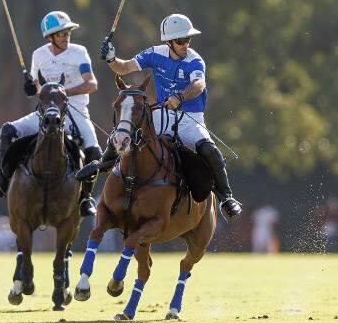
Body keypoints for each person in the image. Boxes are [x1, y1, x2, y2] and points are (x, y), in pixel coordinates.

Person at [76, 13, 242, 218]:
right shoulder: (155, 54)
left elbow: (199, 85)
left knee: (210, 150)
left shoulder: (194, 60)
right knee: (125, 128)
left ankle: (226, 197)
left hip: (190, 118)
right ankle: (103, 163)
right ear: (169, 42)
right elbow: (124, 67)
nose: (185, 44)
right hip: (162, 115)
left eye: (188, 39)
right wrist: (111, 58)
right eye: (181, 40)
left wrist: (180, 97)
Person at [0, 11, 102, 217]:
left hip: (75, 110)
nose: (66, 36)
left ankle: (86, 198)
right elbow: (37, 87)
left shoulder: (79, 52)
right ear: (50, 37)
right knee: (8, 130)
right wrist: (30, 88)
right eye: (61, 33)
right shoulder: (39, 55)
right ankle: (0, 178)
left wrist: (63, 93)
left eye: (68, 32)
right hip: (45, 113)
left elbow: (92, 83)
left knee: (94, 150)